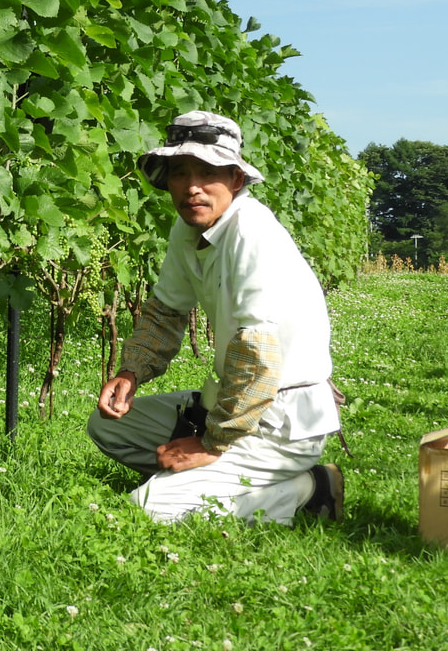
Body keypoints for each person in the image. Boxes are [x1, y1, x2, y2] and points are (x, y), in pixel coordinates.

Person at [87, 110, 344, 525]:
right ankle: (225, 479)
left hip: (281, 421)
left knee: (151, 507)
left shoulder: (251, 232)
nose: (191, 187)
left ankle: (308, 488)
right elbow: (166, 311)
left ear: (236, 180)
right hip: (231, 405)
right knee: (109, 428)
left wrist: (210, 443)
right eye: (179, 172)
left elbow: (256, 352)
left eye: (207, 172)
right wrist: (131, 371)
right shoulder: (187, 229)